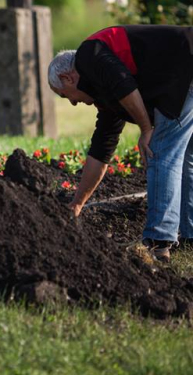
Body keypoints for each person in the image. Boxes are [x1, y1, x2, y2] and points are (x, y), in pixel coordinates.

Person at [48, 25, 193, 262]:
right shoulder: (105, 96)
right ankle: (190, 238)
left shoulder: (89, 55)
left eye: (65, 95)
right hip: (184, 69)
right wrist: (77, 204)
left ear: (68, 78)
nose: (72, 103)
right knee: (186, 156)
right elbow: (101, 152)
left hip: (184, 65)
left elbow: (124, 83)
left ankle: (158, 242)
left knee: (160, 151)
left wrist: (147, 130)